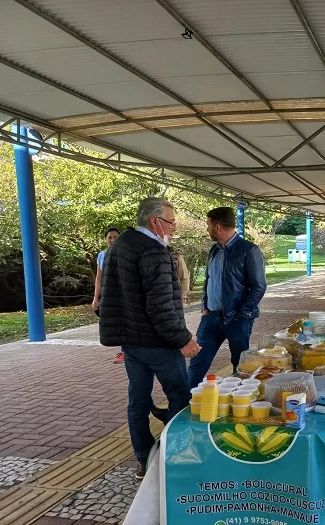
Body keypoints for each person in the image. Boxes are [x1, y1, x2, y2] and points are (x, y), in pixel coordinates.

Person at [99, 197, 201, 480]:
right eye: (170, 221)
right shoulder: (153, 251)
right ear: (155, 221)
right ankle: (177, 457)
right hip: (159, 343)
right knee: (180, 396)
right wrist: (183, 339)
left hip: (131, 342)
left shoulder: (120, 245)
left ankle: (143, 460)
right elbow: (161, 307)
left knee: (138, 401)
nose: (174, 227)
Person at [188, 207, 267, 388]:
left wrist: (240, 315)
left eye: (208, 225)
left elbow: (259, 287)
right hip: (211, 318)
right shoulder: (214, 250)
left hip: (237, 320)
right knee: (197, 364)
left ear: (217, 227)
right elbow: (209, 280)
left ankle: (237, 405)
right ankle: (181, 407)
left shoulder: (248, 250)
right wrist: (205, 307)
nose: (206, 229)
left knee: (240, 367)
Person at [91, 228, 126, 364]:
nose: (112, 240)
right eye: (110, 237)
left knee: (125, 322)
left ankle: (125, 351)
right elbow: (98, 278)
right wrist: (96, 298)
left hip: (123, 294)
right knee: (114, 323)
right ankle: (125, 349)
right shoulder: (102, 255)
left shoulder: (124, 254)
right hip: (108, 295)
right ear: (105, 239)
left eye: (116, 237)